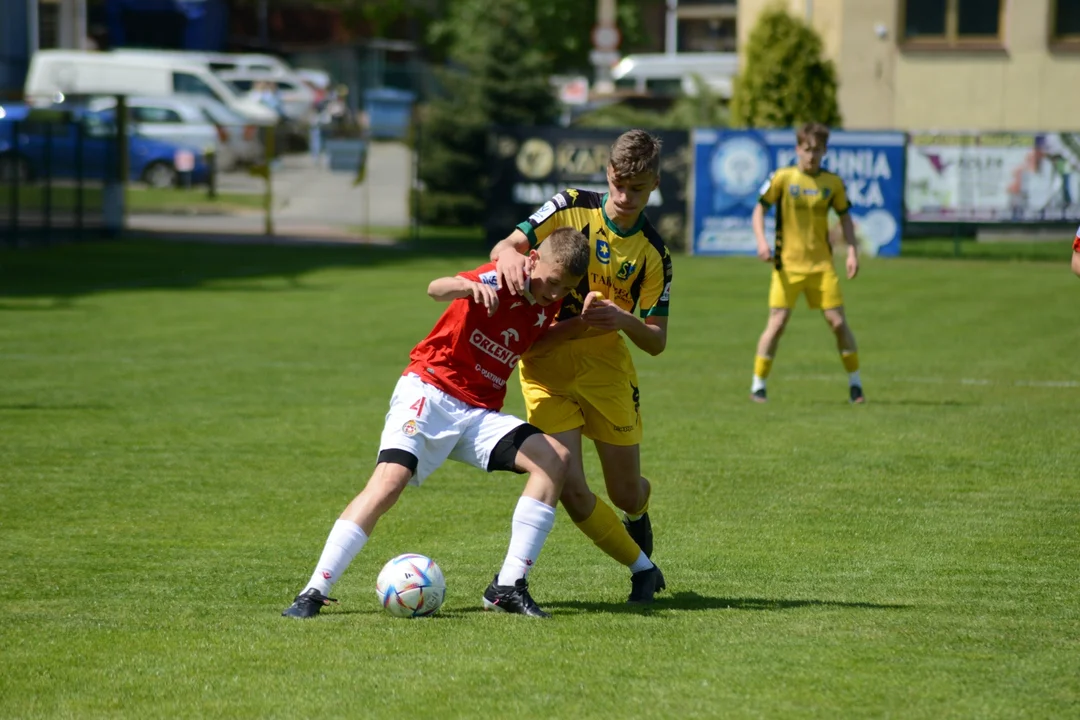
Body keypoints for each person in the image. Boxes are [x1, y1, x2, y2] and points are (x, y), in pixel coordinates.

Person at [282, 228, 591, 619]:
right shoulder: (502, 275)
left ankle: (508, 587)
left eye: (564, 289)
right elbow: (435, 288)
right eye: (551, 282)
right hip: (430, 391)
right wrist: (464, 286)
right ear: (533, 261)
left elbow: (528, 342)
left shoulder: (546, 303)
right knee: (388, 483)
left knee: (555, 460)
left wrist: (581, 324)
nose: (554, 294)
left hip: (478, 413)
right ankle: (313, 591)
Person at [490, 129, 672, 604]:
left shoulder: (654, 254)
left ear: (654, 184)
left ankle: (638, 514)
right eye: (617, 184)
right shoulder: (568, 205)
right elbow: (505, 247)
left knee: (626, 492)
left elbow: (656, 342)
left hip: (606, 371)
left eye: (637, 189)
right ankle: (641, 569)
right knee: (569, 486)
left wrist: (622, 319)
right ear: (608, 172)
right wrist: (509, 259)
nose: (624, 197)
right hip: (546, 367)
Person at [749, 121, 864, 404]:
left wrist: (852, 251)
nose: (811, 155)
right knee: (777, 324)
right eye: (806, 149)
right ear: (797, 149)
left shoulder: (832, 183)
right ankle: (758, 385)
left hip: (822, 267)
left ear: (825, 151)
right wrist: (762, 243)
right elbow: (758, 211)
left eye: (817, 149)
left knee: (838, 323)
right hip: (787, 267)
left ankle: (855, 385)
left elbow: (846, 218)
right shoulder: (783, 178)